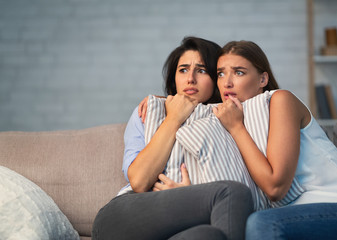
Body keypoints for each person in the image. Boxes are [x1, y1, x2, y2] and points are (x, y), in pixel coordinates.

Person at [92, 37, 254, 240]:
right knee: (232, 193)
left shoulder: (232, 118)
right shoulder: (147, 113)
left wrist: (190, 195)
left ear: (217, 80)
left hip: (187, 223)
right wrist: (174, 118)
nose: (190, 79)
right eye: (183, 70)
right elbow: (139, 181)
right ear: (174, 78)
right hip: (125, 217)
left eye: (202, 70)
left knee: (208, 236)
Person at [212, 40, 337, 240]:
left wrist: (237, 128)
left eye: (239, 72)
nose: (227, 82)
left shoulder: (280, 100)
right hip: (298, 217)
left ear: (263, 79)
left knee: (262, 222)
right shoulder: (230, 119)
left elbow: (275, 188)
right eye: (221, 73)